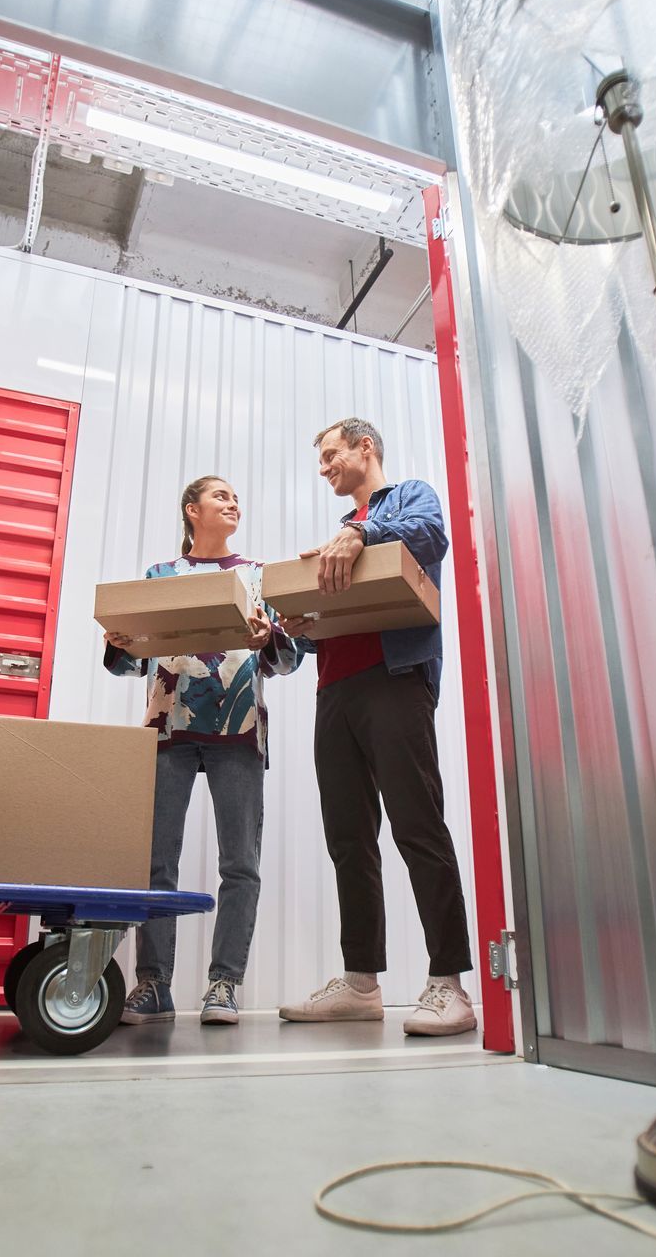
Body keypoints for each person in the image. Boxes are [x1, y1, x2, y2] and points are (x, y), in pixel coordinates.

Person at [277, 418, 476, 1037]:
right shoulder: (340, 538)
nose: (324, 467)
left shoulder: (407, 498)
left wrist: (361, 531)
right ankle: (361, 982)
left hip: (394, 682)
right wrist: (293, 629)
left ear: (367, 449)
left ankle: (450, 985)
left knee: (418, 826)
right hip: (333, 689)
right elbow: (329, 623)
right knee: (348, 840)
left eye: (331, 454)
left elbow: (430, 535)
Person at [103, 475, 302, 1027]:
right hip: (169, 729)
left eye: (237, 497)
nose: (233, 502)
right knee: (155, 863)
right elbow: (130, 663)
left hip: (238, 731)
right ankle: (154, 984)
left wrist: (270, 641)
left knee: (241, 865)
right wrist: (119, 643)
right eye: (221, 496)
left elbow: (287, 662)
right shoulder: (159, 577)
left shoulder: (258, 576)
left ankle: (224, 985)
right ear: (192, 510)